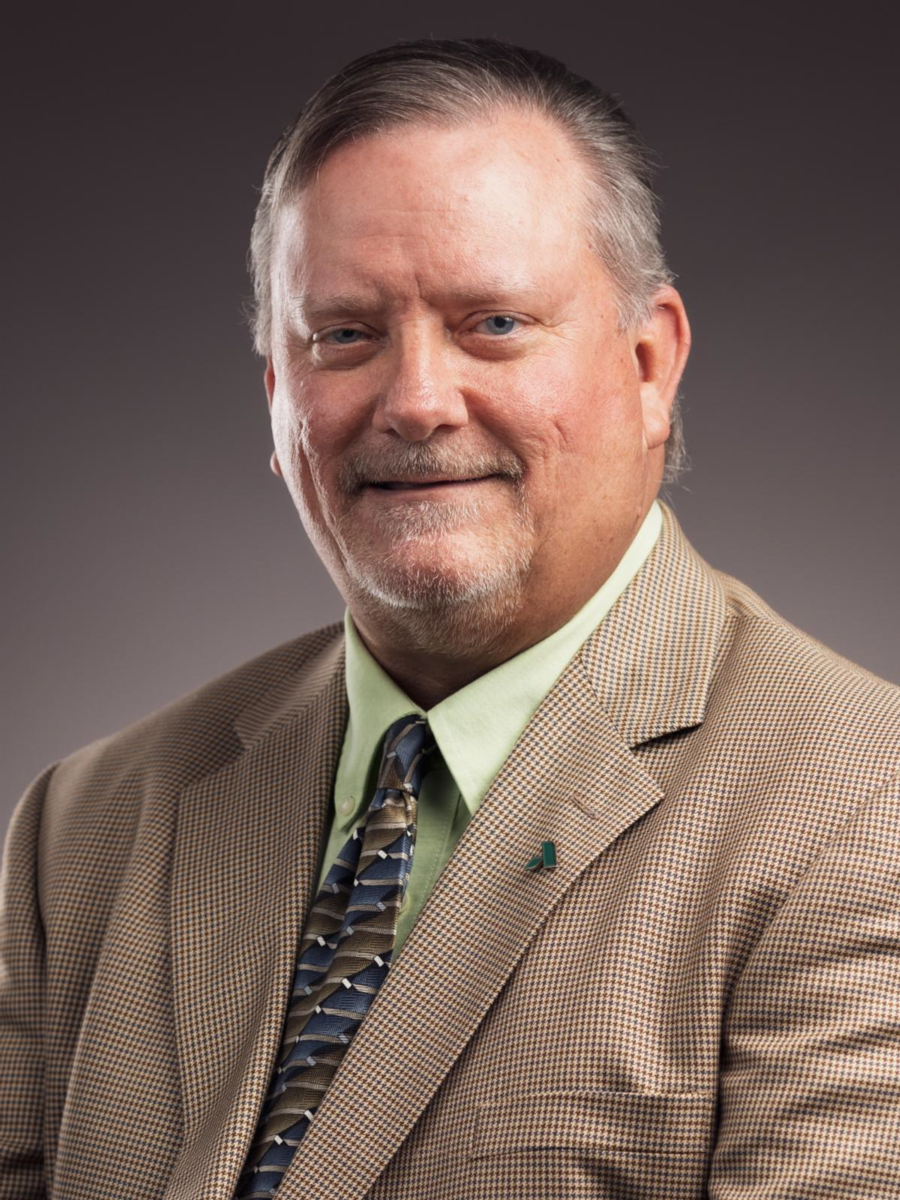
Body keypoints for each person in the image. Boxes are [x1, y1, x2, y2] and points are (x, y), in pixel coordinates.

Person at [2, 36, 899, 1200]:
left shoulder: (861, 811)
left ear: (649, 365)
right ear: (278, 398)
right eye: (345, 334)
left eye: (494, 323)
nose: (417, 402)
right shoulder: (84, 826)